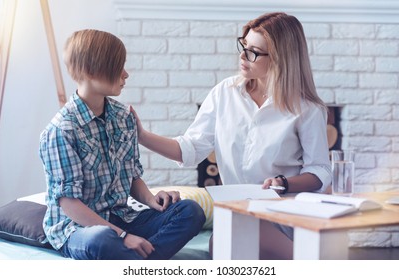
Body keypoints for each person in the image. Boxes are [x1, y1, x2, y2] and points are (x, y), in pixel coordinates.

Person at [130, 12, 333, 256]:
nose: (243, 56)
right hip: (238, 214)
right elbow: (190, 149)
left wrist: (283, 183)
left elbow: (320, 171)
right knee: (225, 239)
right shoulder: (224, 93)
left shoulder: (307, 108)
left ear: (281, 59)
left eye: (254, 52)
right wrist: (141, 135)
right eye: (244, 45)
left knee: (233, 239)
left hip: (284, 214)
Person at [38, 29, 205, 260]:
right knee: (101, 240)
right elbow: (70, 205)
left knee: (191, 211)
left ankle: (135, 264)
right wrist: (123, 236)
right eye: (118, 67)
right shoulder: (60, 131)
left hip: (122, 216)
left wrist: (151, 200)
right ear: (90, 70)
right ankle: (141, 261)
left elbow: (132, 177)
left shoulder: (123, 117)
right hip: (77, 228)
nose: (125, 74)